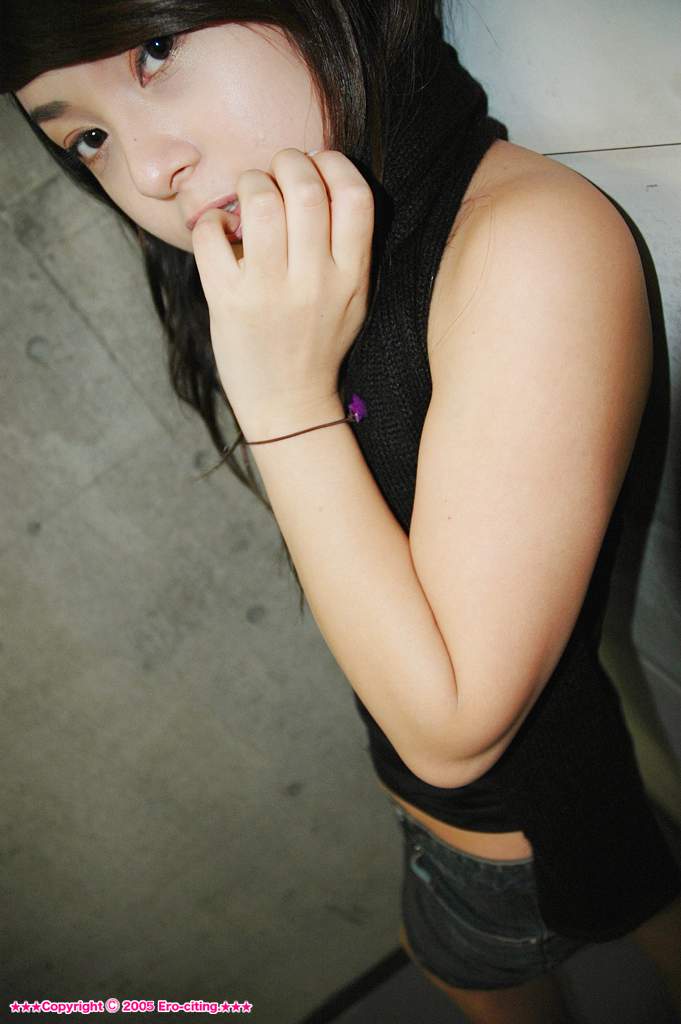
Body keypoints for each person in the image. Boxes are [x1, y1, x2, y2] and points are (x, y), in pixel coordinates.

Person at [4, 3, 681, 1021]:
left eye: (155, 52)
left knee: (461, 970)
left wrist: (284, 401)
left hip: (494, 840)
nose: (148, 170)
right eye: (88, 138)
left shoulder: (526, 244)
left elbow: (451, 727)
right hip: (540, 794)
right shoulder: (311, 263)